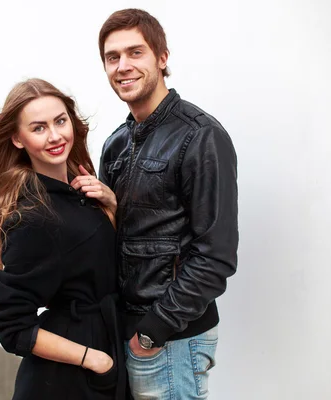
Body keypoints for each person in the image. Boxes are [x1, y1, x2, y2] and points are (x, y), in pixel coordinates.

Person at [95, 8, 239, 399]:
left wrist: (152, 333)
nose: (123, 66)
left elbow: (216, 256)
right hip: (127, 334)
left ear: (162, 58)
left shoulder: (201, 137)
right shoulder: (116, 144)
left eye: (135, 53)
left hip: (169, 339)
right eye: (112, 57)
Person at [0, 78, 126, 399]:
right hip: (69, 380)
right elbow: (9, 322)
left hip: (104, 350)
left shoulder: (79, 190)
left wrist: (112, 207)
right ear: (17, 138)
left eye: (60, 121)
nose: (54, 136)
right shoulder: (33, 216)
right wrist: (94, 359)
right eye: (38, 128)